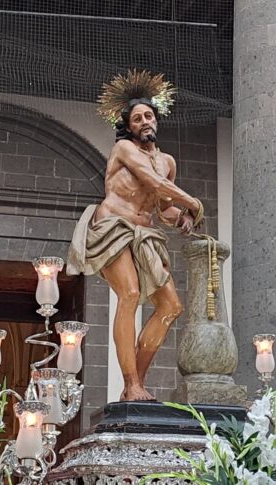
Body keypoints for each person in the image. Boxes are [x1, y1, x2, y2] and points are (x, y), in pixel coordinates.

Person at [67, 70, 203, 401]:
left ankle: (135, 384)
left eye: (148, 116)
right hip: (112, 227)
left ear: (156, 120)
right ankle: (130, 383)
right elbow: (152, 181)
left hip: (144, 233)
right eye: (137, 118)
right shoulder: (125, 148)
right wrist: (194, 202)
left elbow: (163, 206)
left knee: (171, 306)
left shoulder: (167, 162)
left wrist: (182, 218)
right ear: (128, 126)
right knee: (129, 293)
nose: (144, 121)